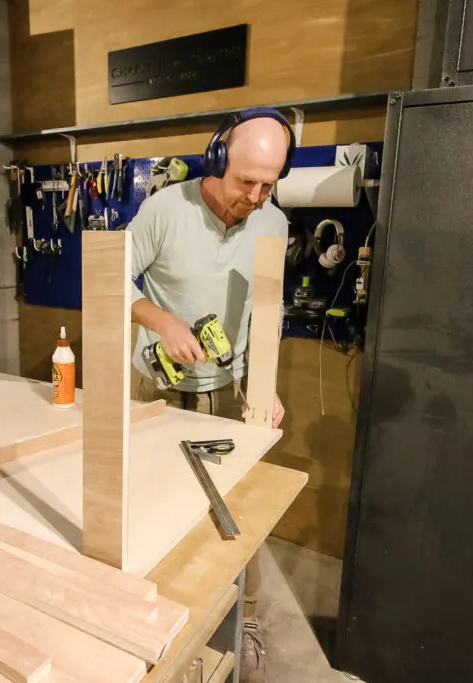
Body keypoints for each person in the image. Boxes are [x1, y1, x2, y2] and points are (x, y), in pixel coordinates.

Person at [127, 108, 293, 679]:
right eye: (246, 180)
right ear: (218, 159)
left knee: (236, 507)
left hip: (227, 389)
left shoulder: (275, 223)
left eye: (269, 184)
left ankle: (239, 616)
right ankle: (151, 616)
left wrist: (264, 387)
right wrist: (163, 322)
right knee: (152, 505)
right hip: (158, 384)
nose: (255, 195)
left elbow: (265, 310)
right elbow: (110, 278)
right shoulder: (163, 210)